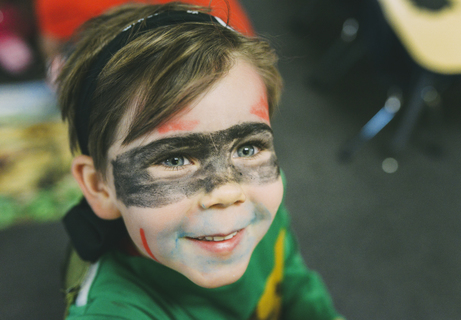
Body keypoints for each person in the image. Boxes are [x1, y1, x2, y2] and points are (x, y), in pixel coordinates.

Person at [57, 2, 344, 319]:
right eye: (174, 158)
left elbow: (293, 278)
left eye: (247, 148)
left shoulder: (258, 205)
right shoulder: (114, 311)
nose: (228, 192)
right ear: (100, 187)